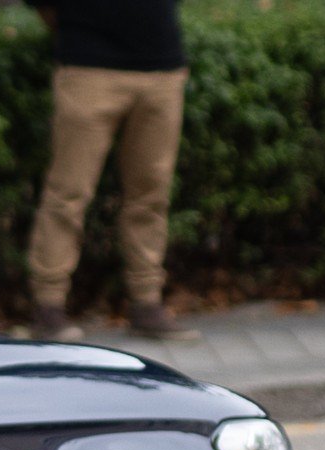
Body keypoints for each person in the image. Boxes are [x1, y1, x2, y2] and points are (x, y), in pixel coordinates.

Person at [25, 0, 201, 342]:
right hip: (88, 70)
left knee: (151, 195)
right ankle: (48, 307)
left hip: (162, 69)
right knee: (68, 194)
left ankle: (147, 303)